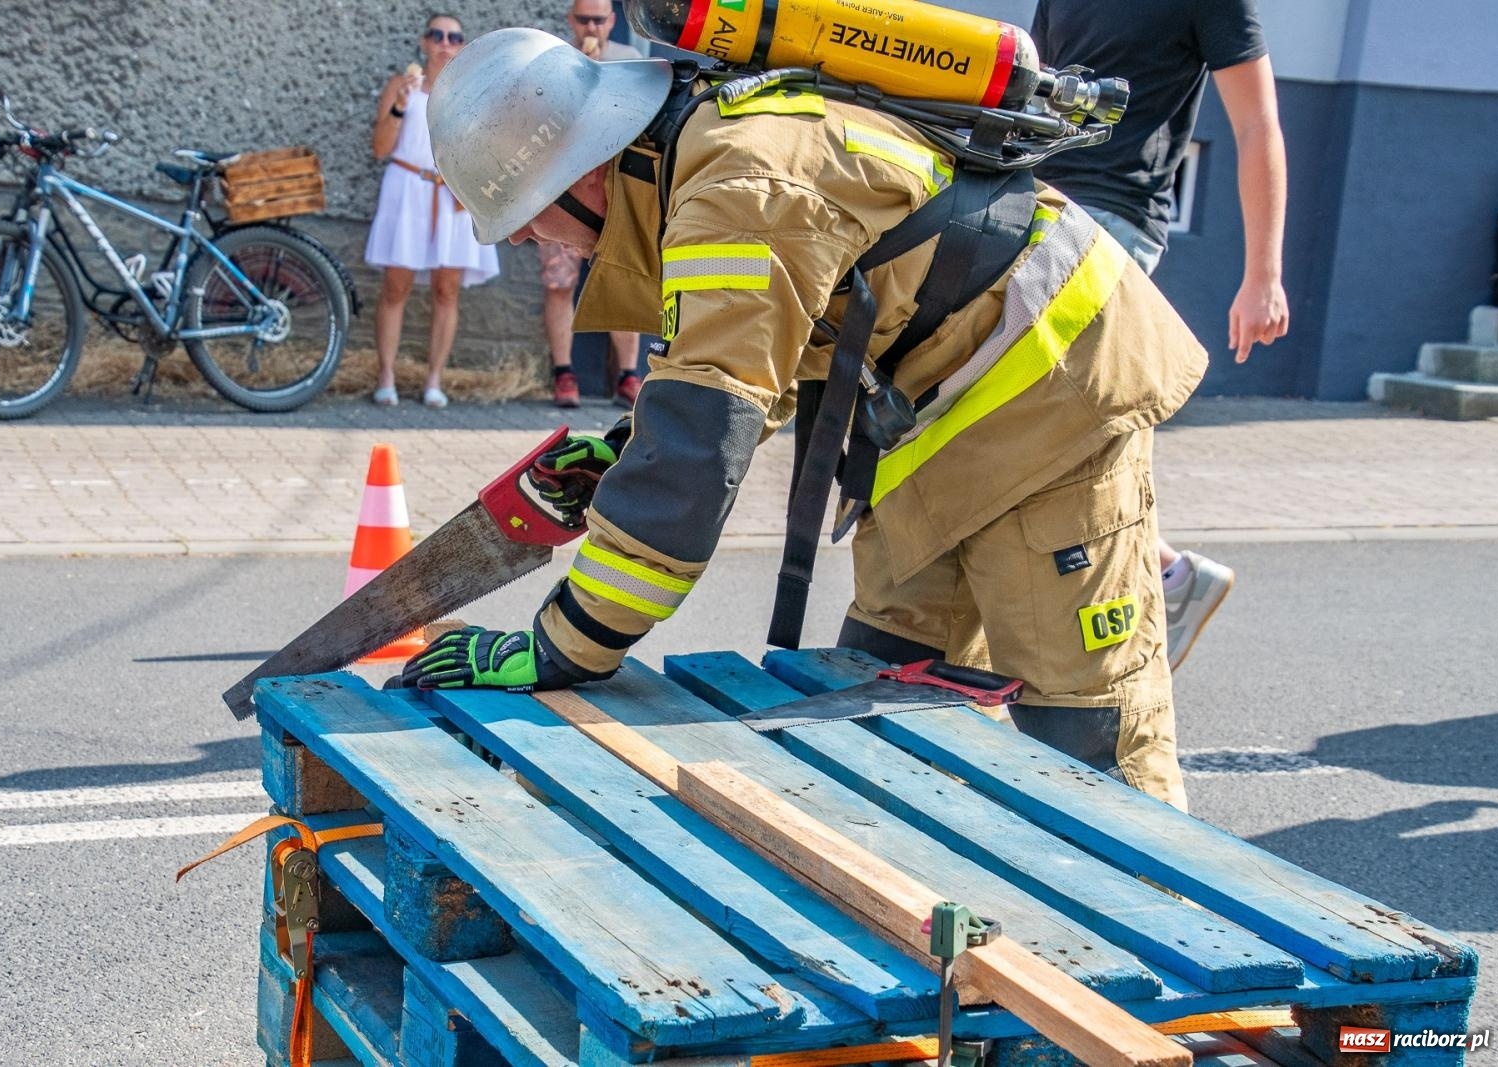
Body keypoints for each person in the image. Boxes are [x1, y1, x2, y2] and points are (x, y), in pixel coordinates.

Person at [411, 28, 1211, 809]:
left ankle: (1171, 925)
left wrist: (562, 647)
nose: (519, 235)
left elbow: (692, 467)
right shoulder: (702, 162)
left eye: (520, 213)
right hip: (933, 414)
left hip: (1050, 392)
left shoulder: (734, 188)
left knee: (1084, 734)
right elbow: (744, 370)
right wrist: (627, 452)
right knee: (880, 687)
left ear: (582, 176)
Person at [1031, 0, 1290, 671]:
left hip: (1115, 219)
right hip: (1032, 203)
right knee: (1042, 430)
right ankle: (1166, 575)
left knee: (1043, 421)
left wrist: (1263, 276)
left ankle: (1156, 581)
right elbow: (1031, 91)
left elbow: (1258, 126)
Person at [364, 13, 499, 408]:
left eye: (454, 37)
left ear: (462, 46)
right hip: (407, 189)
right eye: (437, 35)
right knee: (396, 285)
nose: (444, 42)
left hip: (451, 192)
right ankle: (386, 374)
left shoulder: (472, 93)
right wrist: (400, 106)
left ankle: (434, 379)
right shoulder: (401, 85)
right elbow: (379, 148)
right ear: (424, 42)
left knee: (447, 289)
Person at [540, 0, 644, 409]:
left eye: (599, 20)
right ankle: (564, 374)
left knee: (621, 280)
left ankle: (628, 375)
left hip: (616, 192)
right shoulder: (556, 61)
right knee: (559, 283)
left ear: (612, 22)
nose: (591, 27)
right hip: (563, 193)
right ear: (571, 20)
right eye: (583, 19)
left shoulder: (630, 60)